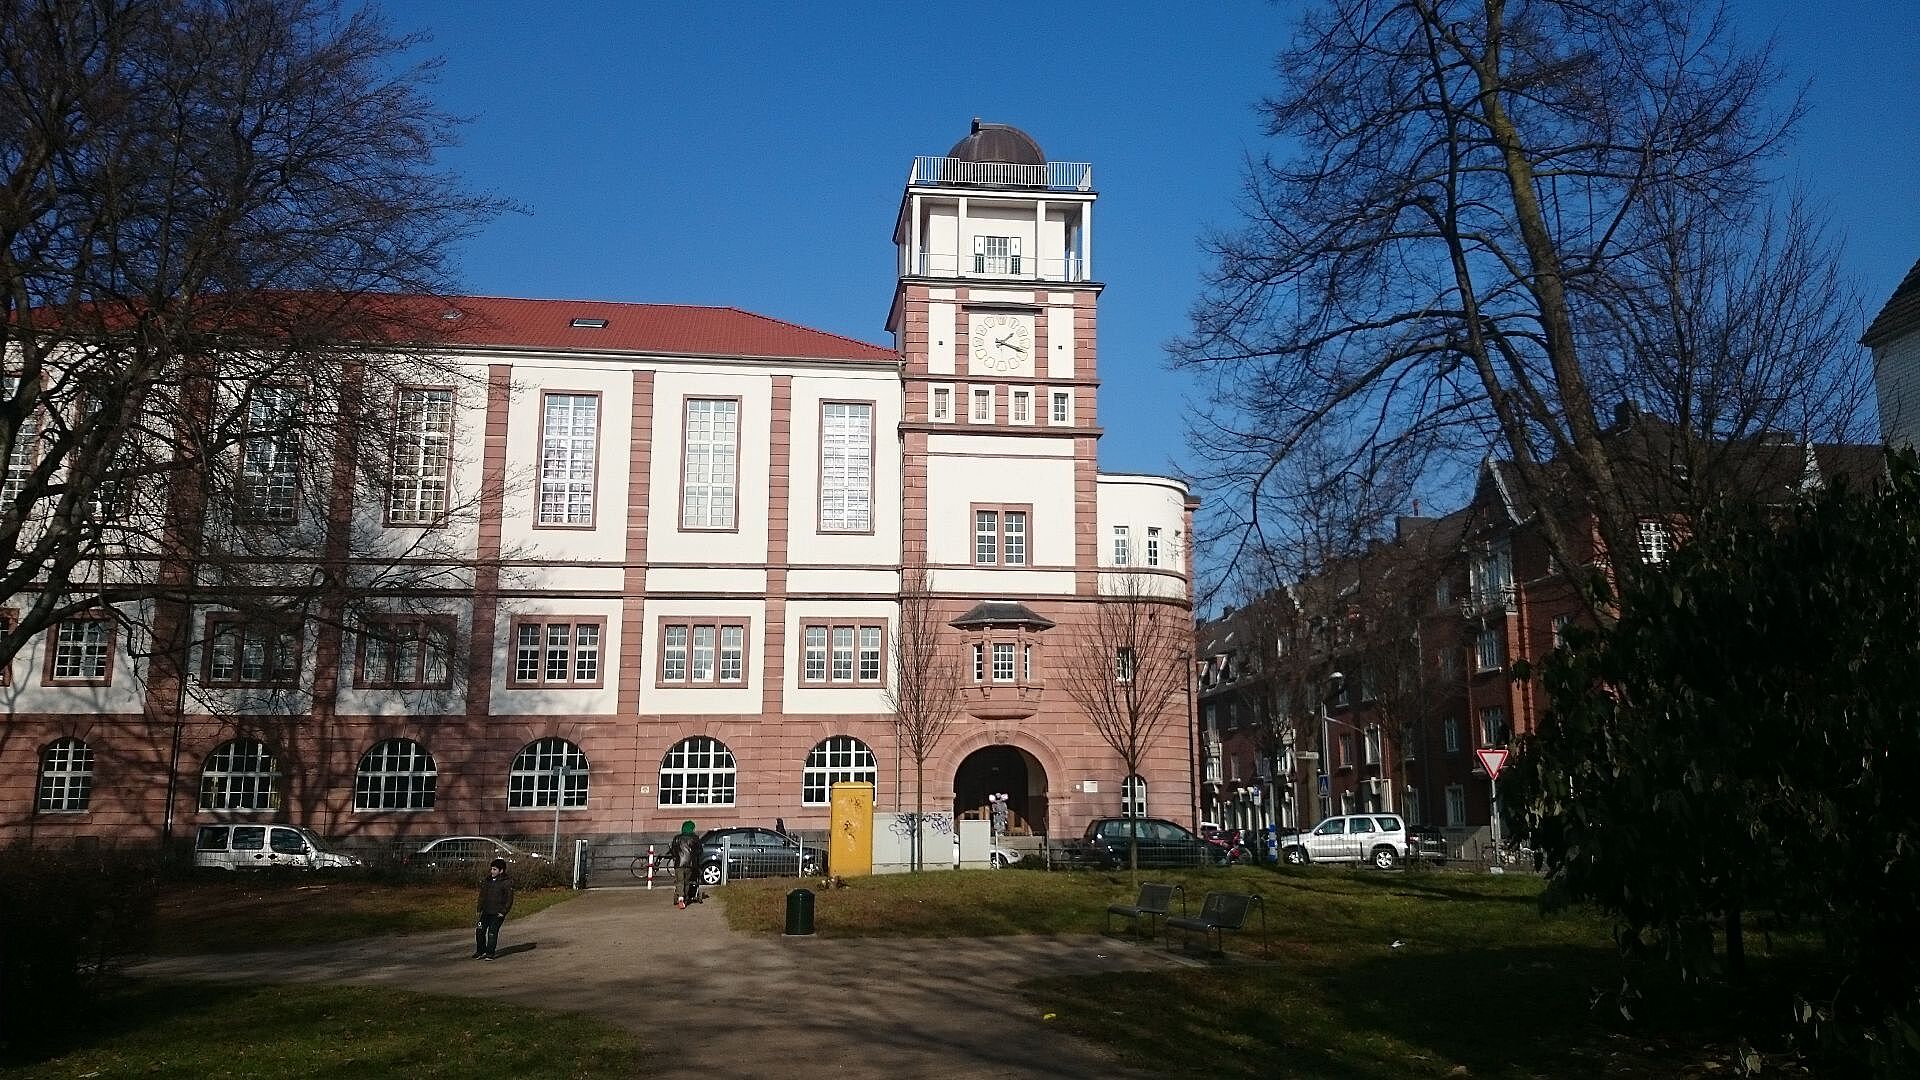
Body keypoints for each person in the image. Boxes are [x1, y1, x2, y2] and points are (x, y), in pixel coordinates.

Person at [474, 857, 514, 960]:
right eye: (491, 869)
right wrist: (479, 908)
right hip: (486, 911)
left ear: (501, 871)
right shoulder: (487, 881)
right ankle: (480, 951)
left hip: (497, 913)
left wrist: (503, 912)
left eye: (495, 869)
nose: (492, 871)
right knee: (479, 931)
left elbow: (509, 899)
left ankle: (490, 953)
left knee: (492, 932)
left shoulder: (506, 882)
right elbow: (482, 895)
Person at [666, 820, 704, 909]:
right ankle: (685, 898)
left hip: (679, 863)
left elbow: (673, 851)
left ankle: (680, 898)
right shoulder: (695, 838)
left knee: (679, 881)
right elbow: (700, 851)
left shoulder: (677, 838)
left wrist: (676, 856)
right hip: (690, 864)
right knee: (687, 882)